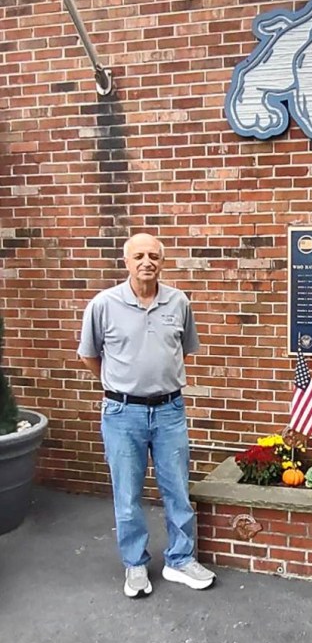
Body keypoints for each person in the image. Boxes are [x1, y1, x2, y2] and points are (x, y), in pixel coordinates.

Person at [78, 233, 215, 597]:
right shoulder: (103, 304)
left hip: (170, 410)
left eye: (154, 256)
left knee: (177, 489)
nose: (146, 262)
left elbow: (182, 351)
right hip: (123, 413)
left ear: (162, 262)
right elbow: (90, 355)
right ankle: (135, 565)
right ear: (126, 261)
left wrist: (157, 381)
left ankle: (180, 560)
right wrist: (120, 384)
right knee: (127, 494)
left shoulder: (178, 302)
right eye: (138, 255)